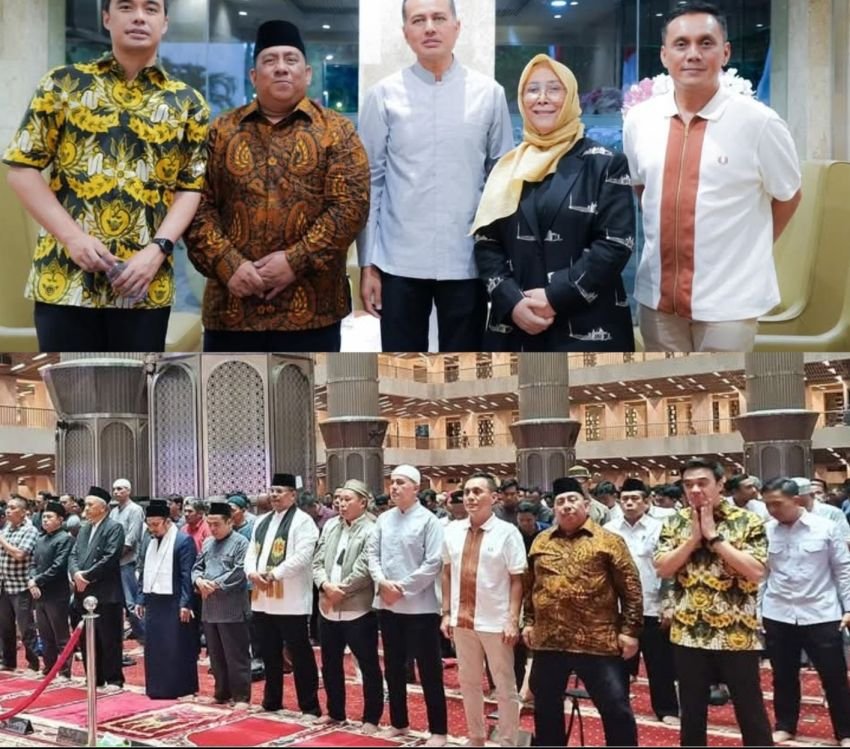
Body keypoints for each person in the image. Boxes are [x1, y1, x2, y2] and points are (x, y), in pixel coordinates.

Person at [2, 0, 209, 352]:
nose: (140, 16)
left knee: (136, 398)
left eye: (151, 8)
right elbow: (22, 168)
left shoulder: (188, 102)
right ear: (107, 18)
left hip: (144, 282)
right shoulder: (62, 84)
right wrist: (73, 239)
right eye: (127, 7)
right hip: (64, 278)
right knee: (72, 396)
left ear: (165, 23)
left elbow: (190, 188)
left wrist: (158, 250)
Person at [622, 1, 801, 352]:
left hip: (730, 305)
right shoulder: (639, 120)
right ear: (664, 55)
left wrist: (748, 250)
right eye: (681, 44)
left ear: (725, 52)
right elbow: (643, 191)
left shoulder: (759, 123)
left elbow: (789, 196)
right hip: (656, 301)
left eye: (706, 43)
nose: (693, 54)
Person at [186, 19, 369, 352]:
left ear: (308, 73)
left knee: (312, 399)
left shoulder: (338, 131)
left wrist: (294, 260)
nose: (281, 68)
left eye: (291, 59)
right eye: (270, 61)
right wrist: (230, 264)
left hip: (314, 311)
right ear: (254, 76)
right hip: (232, 309)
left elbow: (350, 207)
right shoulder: (220, 131)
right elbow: (194, 205)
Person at [357, 0, 513, 352]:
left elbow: (501, 180)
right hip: (398, 260)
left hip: (468, 259)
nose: (429, 27)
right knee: (401, 364)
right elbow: (371, 182)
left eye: (439, 18)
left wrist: (501, 262)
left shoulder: (489, 94)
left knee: (466, 367)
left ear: (456, 27)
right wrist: (368, 264)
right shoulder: (382, 96)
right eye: (419, 20)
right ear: (406, 33)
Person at [472, 54, 635, 352]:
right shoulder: (505, 167)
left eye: (554, 89)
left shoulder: (605, 163)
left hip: (587, 326)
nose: (542, 98)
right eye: (532, 89)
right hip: (513, 328)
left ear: (571, 96)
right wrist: (512, 301)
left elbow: (615, 245)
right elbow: (486, 243)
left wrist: (554, 297)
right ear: (521, 100)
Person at [654, 457, 772, 746]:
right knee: (692, 713)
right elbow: (663, 568)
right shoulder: (674, 521)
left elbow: (756, 571)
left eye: (702, 483)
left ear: (720, 484)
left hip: (737, 633)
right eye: (688, 484)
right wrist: (693, 539)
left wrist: (714, 537)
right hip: (688, 631)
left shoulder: (748, 520)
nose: (695, 490)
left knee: (750, 709)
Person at [523, 476, 642, 747]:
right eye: (560, 502)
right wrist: (529, 622)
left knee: (615, 708)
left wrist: (630, 632)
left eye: (572, 500)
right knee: (546, 707)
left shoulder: (609, 541)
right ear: (553, 508)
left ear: (586, 505)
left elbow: (631, 589)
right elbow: (531, 587)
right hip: (549, 640)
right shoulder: (541, 541)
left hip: (597, 641)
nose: (566, 506)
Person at [761, 478, 850, 747]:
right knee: (783, 676)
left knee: (834, 677)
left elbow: (843, 570)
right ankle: (785, 725)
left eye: (777, 504)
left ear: (797, 500)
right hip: (778, 613)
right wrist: (756, 611)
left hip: (821, 612)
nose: (772, 510)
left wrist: (849, 607)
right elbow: (761, 576)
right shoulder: (766, 531)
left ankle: (845, 732)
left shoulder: (826, 528)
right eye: (768, 505)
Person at [441, 473, 526, 747]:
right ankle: (476, 737)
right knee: (468, 683)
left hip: (496, 622)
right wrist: (445, 612)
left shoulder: (507, 533)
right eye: (466, 492)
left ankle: (508, 740)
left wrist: (513, 619)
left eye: (478, 492)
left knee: (504, 686)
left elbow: (517, 579)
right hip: (462, 620)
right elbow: (446, 572)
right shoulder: (452, 530)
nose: (471, 497)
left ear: (494, 497)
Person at [367, 464, 447, 746]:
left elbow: (433, 562)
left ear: (415, 488)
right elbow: (372, 556)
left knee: (428, 670)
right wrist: (382, 583)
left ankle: (438, 730)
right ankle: (399, 722)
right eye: (392, 482)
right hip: (388, 606)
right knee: (393, 667)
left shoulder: (429, 521)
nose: (395, 487)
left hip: (420, 608)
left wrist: (401, 589)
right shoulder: (383, 519)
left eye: (401, 482)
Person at [244, 472, 321, 718]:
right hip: (262, 598)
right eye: (272, 491)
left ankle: (309, 706)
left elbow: (303, 556)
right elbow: (251, 553)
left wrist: (274, 574)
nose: (274, 495)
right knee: (268, 652)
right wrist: (252, 573)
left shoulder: (303, 521)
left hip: (291, 599)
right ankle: (272, 700)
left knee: (299, 654)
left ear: (292, 495)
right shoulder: (261, 520)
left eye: (279, 491)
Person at [312, 479, 383, 735]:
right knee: (330, 663)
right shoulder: (331, 525)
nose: (341, 503)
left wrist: (340, 590)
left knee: (368, 665)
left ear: (363, 502)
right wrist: (325, 587)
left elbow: (365, 568)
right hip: (328, 607)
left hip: (358, 608)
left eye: (347, 499)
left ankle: (371, 718)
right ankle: (335, 712)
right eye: (339, 499)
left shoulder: (374, 528)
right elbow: (317, 561)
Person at [607, 478, 680, 725]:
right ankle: (618, 707)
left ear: (647, 502)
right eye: (625, 498)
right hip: (618, 608)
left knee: (659, 664)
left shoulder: (662, 527)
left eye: (635, 498)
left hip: (652, 606)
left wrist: (668, 603)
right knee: (618, 664)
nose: (629, 503)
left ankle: (667, 709)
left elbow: (670, 569)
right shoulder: (610, 529)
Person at [136, 500, 198, 699]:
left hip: (175, 601)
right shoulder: (150, 540)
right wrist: (140, 599)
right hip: (155, 602)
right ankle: (157, 688)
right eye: (149, 525)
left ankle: (180, 688)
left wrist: (186, 604)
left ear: (167, 522)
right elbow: (144, 572)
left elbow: (186, 575)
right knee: (155, 647)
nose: (152, 529)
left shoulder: (182, 541)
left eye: (156, 525)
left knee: (176, 646)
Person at [192, 501, 251, 707]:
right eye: (210, 524)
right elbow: (197, 567)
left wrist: (214, 585)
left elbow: (239, 571)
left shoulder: (241, 542)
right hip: (210, 609)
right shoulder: (208, 543)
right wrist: (199, 581)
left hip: (232, 608)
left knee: (236, 656)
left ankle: (241, 696)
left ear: (229, 522)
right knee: (216, 656)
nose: (213, 529)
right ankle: (221, 692)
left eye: (217, 524)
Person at [69, 486, 126, 691]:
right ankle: (93, 676)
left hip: (105, 592)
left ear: (103, 508)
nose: (86, 508)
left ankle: (113, 679)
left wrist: (87, 576)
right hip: (82, 591)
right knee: (86, 639)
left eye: (90, 504)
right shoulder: (84, 528)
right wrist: (76, 574)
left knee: (108, 638)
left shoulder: (114, 527)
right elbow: (73, 555)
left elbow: (110, 558)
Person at [27, 500, 74, 679]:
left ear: (60, 520)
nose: (45, 520)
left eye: (49, 517)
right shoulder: (41, 539)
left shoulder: (65, 539)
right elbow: (33, 563)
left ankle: (64, 671)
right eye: (44, 517)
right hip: (39, 593)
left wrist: (35, 580)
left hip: (56, 593)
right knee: (45, 634)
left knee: (60, 635)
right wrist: (32, 579)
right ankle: (49, 668)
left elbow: (58, 566)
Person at [0, 496, 41, 671]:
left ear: (24, 512)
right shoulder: (7, 528)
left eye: (13, 508)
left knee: (26, 628)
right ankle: (8, 661)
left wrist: (1, 540)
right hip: (4, 584)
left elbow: (19, 554)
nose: (8, 510)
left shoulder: (30, 530)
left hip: (21, 586)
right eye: (7, 507)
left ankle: (33, 663)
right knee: (5, 626)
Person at [109, 478, 146, 646]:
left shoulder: (135, 510)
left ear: (129, 491)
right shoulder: (113, 512)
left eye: (121, 489)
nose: (117, 492)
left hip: (128, 563)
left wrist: (110, 558)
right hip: (113, 564)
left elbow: (131, 540)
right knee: (117, 605)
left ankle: (146, 639)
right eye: (115, 489)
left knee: (132, 605)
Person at [793, 477, 850, 543]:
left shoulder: (833, 513)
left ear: (811, 495)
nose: (795, 500)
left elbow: (846, 540)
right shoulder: (786, 514)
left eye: (819, 493)